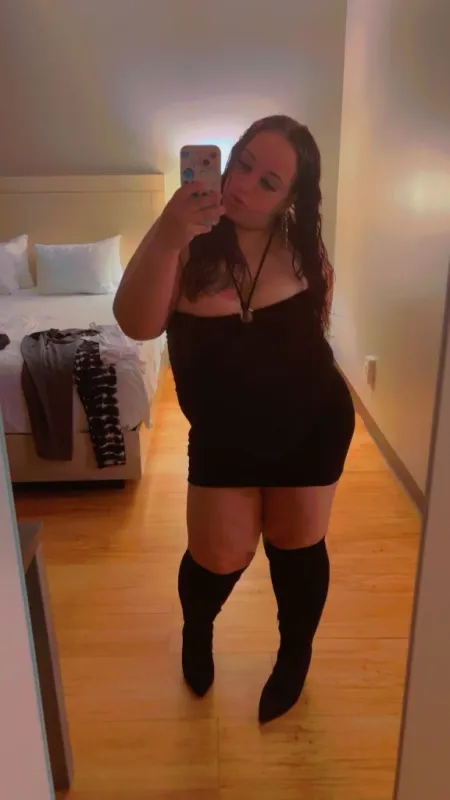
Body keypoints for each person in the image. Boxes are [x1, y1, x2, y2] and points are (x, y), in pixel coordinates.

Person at [113, 115, 356, 724]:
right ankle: (197, 631)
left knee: (298, 548)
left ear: (290, 199)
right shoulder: (184, 236)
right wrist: (168, 235)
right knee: (216, 557)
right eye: (242, 163)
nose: (244, 184)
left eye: (268, 181)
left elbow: (315, 329)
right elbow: (136, 324)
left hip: (312, 425)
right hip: (223, 438)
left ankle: (294, 657)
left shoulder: (302, 249)